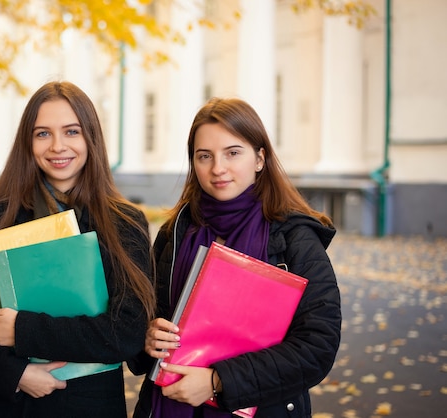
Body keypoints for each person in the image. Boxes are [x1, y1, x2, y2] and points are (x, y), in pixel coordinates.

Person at [0, 81, 156, 418]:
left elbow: (127, 332)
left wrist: (23, 331)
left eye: (72, 132)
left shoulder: (124, 223)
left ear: (91, 138)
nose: (58, 146)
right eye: (43, 134)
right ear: (28, 142)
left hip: (84, 406)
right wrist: (16, 375)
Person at [129, 97, 341, 417]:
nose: (218, 168)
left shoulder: (294, 238)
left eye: (233, 153)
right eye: (205, 156)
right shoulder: (175, 232)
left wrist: (218, 381)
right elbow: (145, 319)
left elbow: (317, 347)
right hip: (169, 402)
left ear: (259, 159)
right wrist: (147, 337)